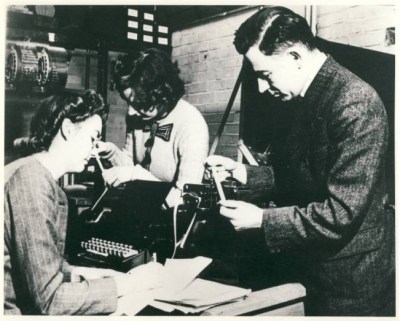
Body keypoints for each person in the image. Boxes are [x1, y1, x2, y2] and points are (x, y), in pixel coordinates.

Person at [205, 6, 395, 316]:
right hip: (309, 270)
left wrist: (262, 220)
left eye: (265, 75)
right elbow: (301, 174)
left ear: (294, 57)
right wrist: (243, 173)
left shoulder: (355, 103)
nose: (262, 88)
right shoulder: (304, 96)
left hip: (349, 286)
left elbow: (340, 214)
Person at [4, 90, 163, 315]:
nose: (95, 148)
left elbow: (42, 267)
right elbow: (50, 302)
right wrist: (130, 284)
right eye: (93, 138)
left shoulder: (35, 174)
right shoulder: (32, 180)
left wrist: (89, 274)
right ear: (68, 129)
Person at [97, 48, 209, 208]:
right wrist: (111, 153)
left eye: (139, 103)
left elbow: (186, 198)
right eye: (128, 102)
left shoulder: (191, 124)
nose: (131, 111)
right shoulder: (137, 117)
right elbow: (129, 165)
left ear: (160, 92)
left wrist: (136, 175)